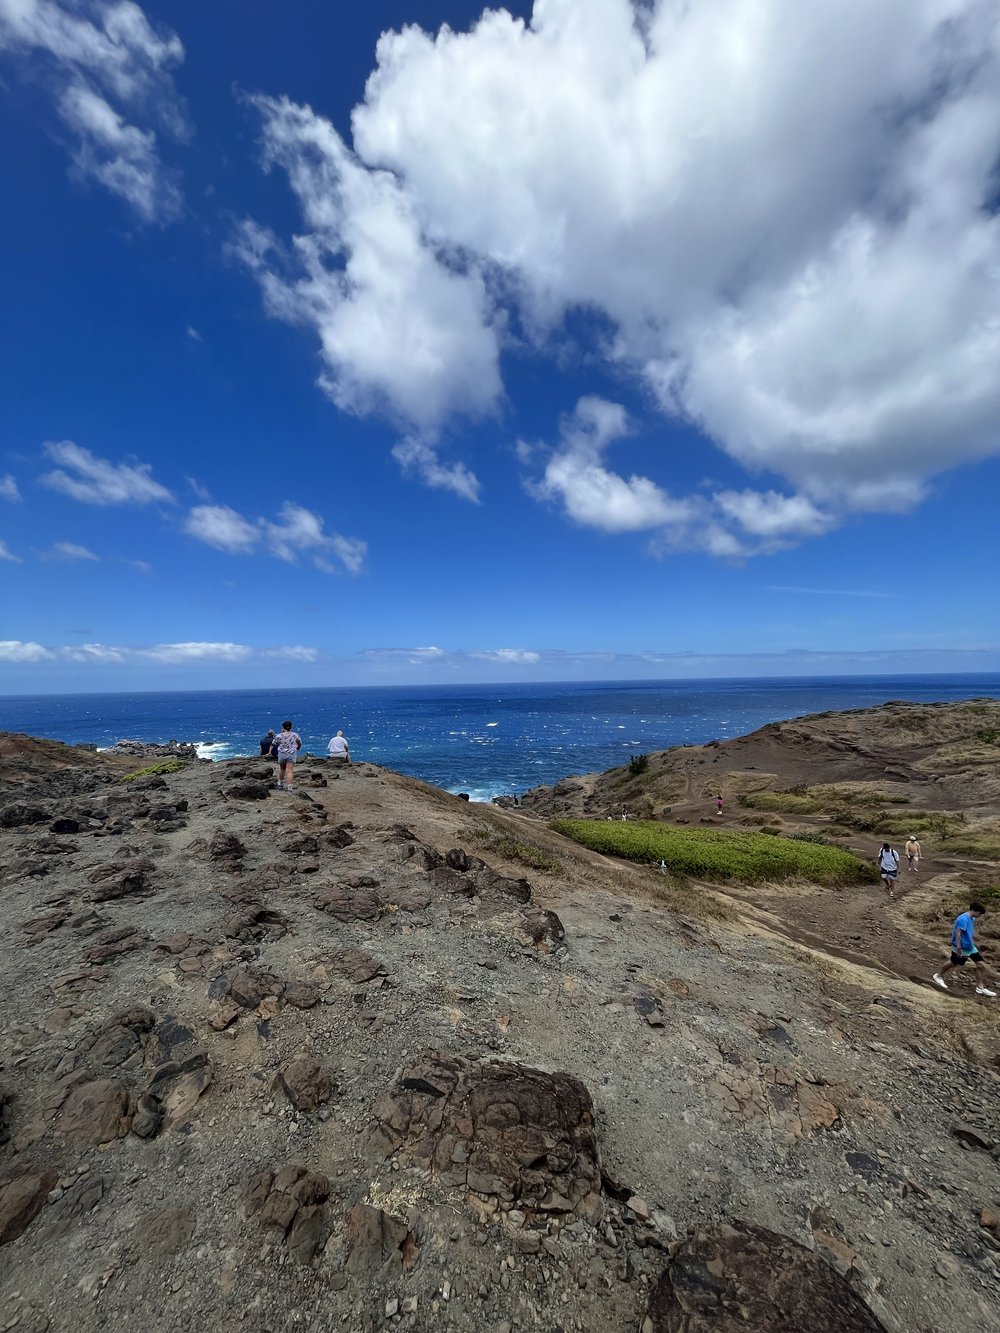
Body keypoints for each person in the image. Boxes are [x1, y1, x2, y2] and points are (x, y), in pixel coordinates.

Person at [933, 903, 996, 996]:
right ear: (975, 911)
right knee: (953, 963)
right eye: (979, 914)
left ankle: (980, 987)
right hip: (961, 948)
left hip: (970, 947)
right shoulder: (963, 919)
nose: (979, 916)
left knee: (981, 965)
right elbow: (958, 934)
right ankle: (938, 976)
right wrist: (958, 948)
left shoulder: (971, 917)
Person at [274, 720, 302, 792]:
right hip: (291, 753)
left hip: (282, 753)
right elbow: (299, 743)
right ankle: (289, 788)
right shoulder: (295, 735)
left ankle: (280, 784)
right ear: (291, 727)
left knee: (282, 769)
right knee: (290, 771)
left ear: (283, 727)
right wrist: (298, 747)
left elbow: (274, 743)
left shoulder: (279, 736)